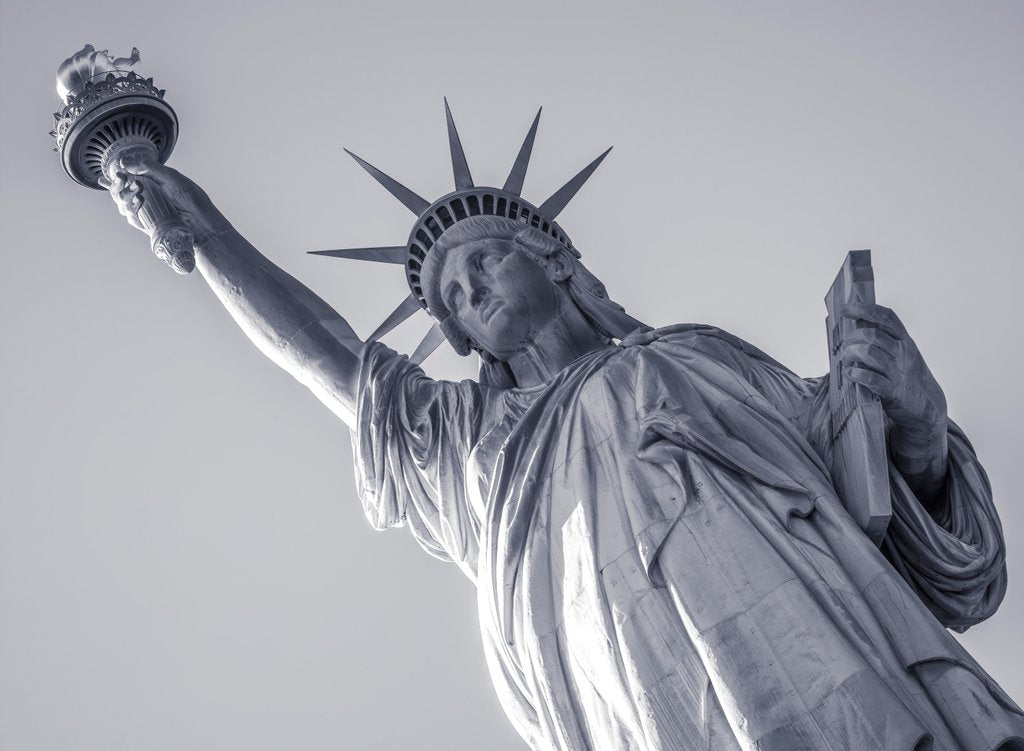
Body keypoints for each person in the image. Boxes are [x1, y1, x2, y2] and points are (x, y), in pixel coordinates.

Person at [102, 154, 1022, 750]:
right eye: (454, 298)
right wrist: (208, 240)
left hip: (836, 653)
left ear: (556, 258)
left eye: (483, 263)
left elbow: (905, 527)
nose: (470, 293)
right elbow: (334, 361)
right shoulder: (473, 451)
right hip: (641, 691)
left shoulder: (700, 355)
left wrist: (917, 420)